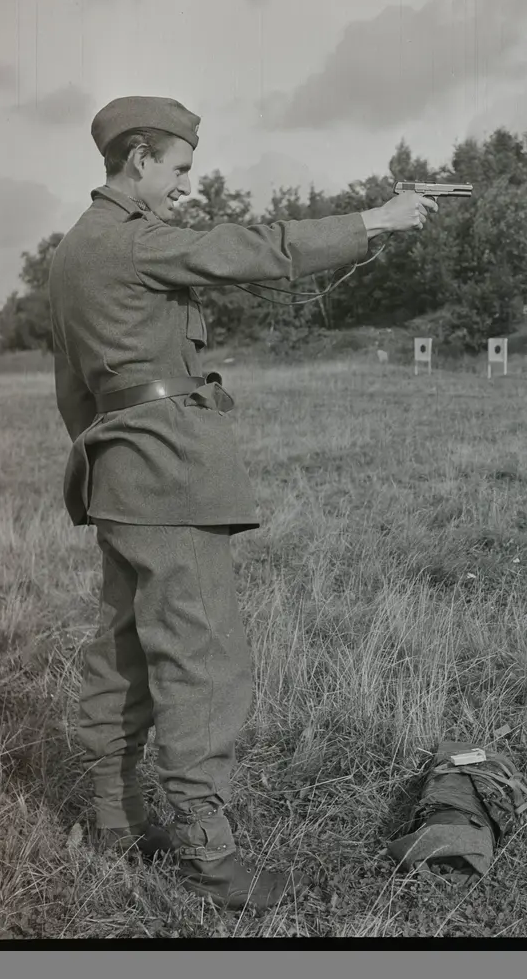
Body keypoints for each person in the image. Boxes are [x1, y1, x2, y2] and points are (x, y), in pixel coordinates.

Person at [47, 95, 437, 911]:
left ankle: (116, 820)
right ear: (139, 159)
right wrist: (378, 219)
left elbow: (72, 389)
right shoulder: (135, 238)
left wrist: (111, 459)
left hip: (118, 471)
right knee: (202, 660)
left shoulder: (72, 249)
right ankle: (208, 854)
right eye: (179, 170)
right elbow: (258, 249)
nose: (185, 186)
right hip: (171, 473)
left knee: (124, 651)